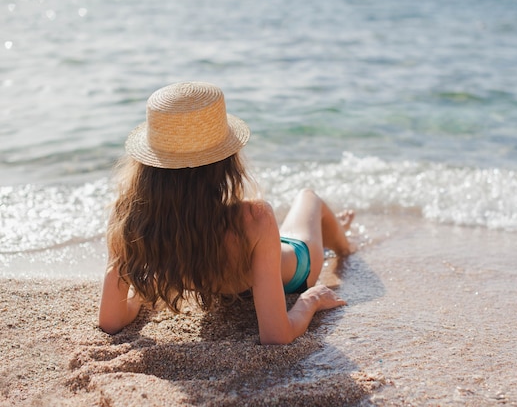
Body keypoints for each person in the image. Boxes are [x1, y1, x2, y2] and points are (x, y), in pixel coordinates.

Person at [98, 82, 355, 344]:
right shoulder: (255, 219)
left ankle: (339, 239)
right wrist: (309, 302)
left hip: (249, 264)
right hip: (296, 273)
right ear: (226, 161)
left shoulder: (129, 217)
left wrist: (141, 293)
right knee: (308, 198)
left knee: (297, 223)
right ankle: (346, 247)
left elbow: (110, 321)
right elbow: (277, 336)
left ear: (148, 166)